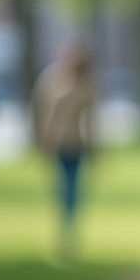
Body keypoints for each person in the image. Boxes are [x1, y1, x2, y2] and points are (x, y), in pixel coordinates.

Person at [32, 42, 98, 260]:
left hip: (75, 144)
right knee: (63, 188)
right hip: (59, 143)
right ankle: (65, 229)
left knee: (72, 189)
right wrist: (43, 140)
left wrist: (95, 147)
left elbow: (91, 121)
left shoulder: (87, 85)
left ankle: (68, 230)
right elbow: (44, 111)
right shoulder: (54, 79)